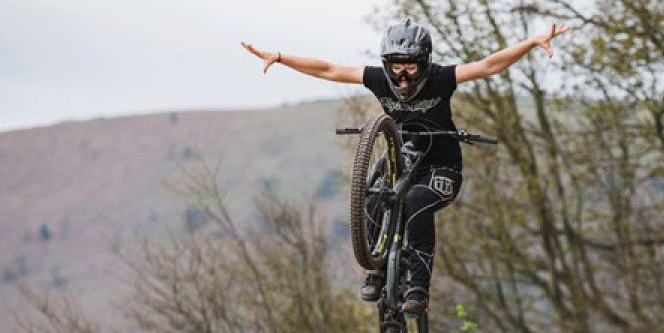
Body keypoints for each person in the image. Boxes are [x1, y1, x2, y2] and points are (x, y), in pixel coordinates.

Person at [242, 19, 568, 315]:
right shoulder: (378, 79)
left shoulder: (441, 78)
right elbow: (329, 69)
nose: (402, 76)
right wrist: (282, 57)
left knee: (414, 204)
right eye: (396, 67)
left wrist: (531, 43)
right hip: (401, 160)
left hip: (442, 169)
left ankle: (419, 290)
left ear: (424, 64)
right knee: (371, 197)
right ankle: (377, 269)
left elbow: (487, 66)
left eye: (410, 68)